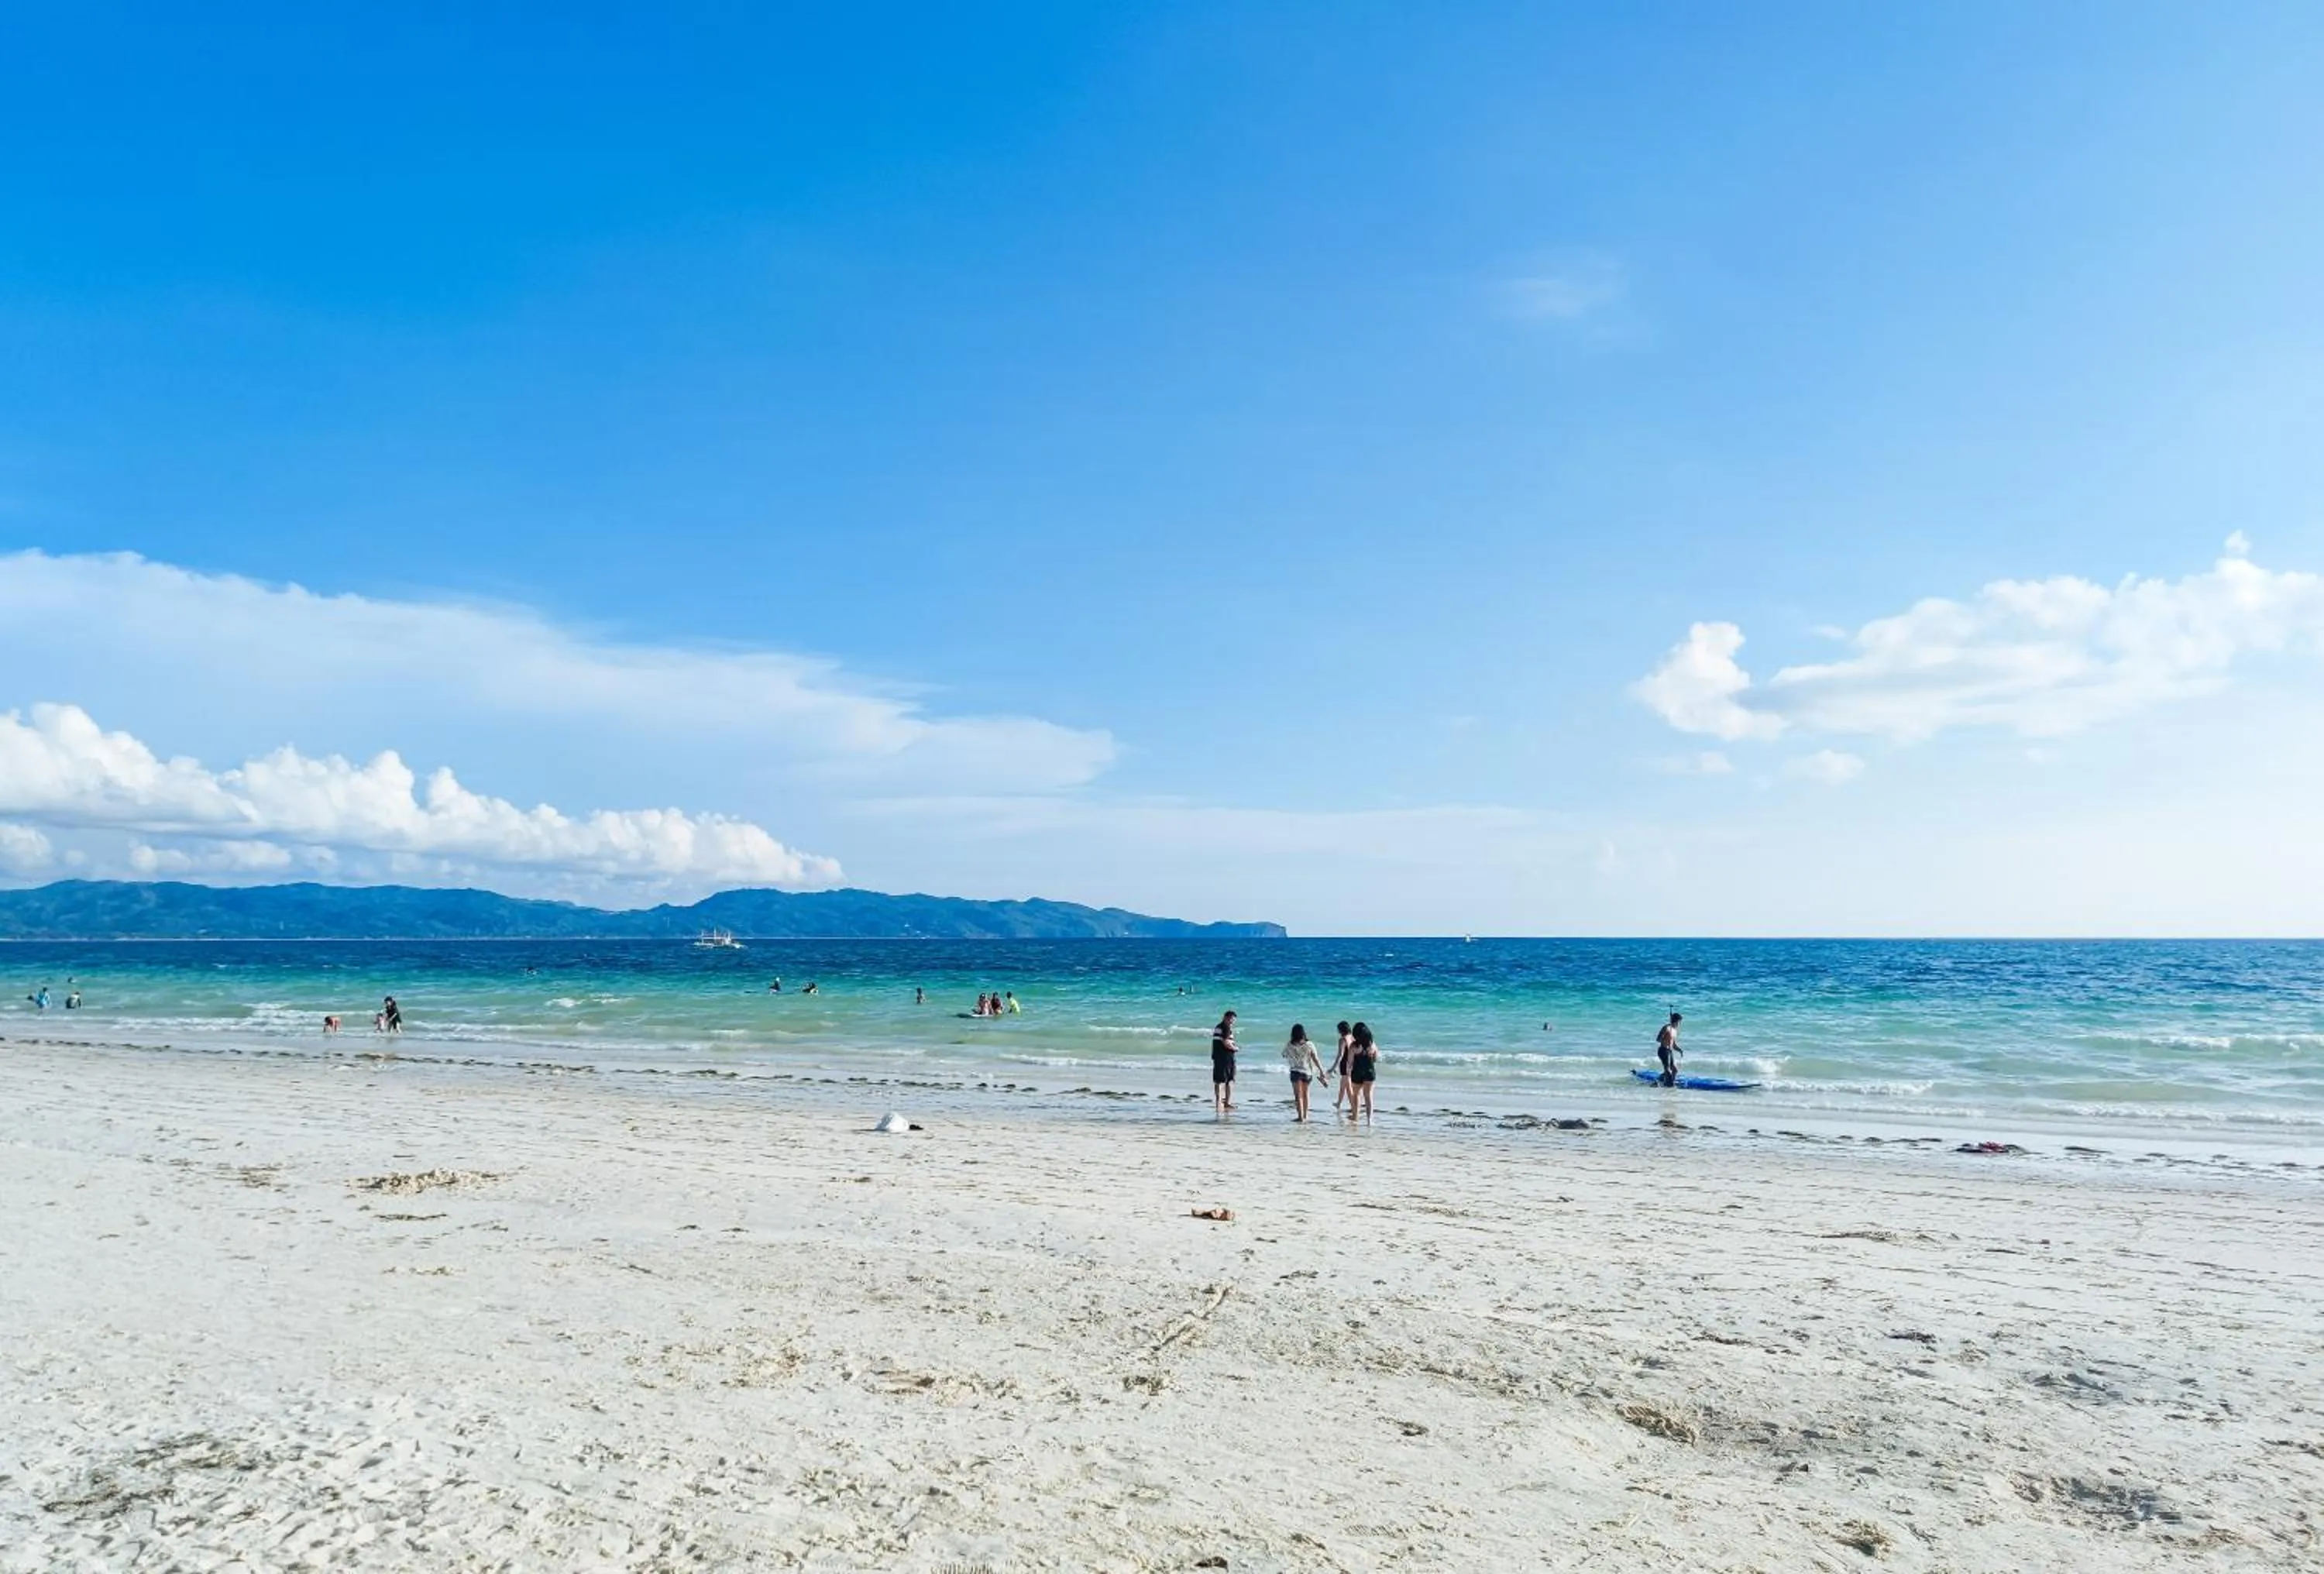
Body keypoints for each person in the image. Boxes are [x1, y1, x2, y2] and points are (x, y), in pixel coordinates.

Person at [1281, 1023, 1327, 1122]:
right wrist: (1322, 1071)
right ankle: (1306, 1116)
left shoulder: (1289, 1044)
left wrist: (1294, 1056)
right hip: (1307, 1072)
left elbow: (1284, 1055)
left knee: (1298, 1096)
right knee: (1306, 1094)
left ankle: (1300, 1117)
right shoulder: (1309, 1044)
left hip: (1295, 1071)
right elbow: (1315, 1059)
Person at [1347, 1021, 1379, 1120]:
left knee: (1356, 1095)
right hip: (1369, 1071)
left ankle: (1355, 1116)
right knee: (1368, 1096)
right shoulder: (1372, 1045)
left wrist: (1348, 1073)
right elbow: (1375, 1059)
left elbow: (1350, 1062)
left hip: (1357, 1072)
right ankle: (1369, 1120)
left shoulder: (1353, 1046)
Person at [1211, 1010, 1240, 1114]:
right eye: (1231, 1019)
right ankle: (1224, 1102)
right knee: (1226, 1080)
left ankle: (1220, 1101)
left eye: (1233, 1020)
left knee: (1222, 1079)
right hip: (1225, 1057)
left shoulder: (1219, 1027)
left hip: (1219, 1056)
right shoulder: (1225, 1027)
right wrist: (1235, 1048)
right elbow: (1226, 1042)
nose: (1232, 1022)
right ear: (1225, 1018)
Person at [1331, 1021, 1356, 1113]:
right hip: (1352, 1063)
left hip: (1345, 1065)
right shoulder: (1353, 1038)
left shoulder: (1343, 1040)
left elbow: (1340, 1055)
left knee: (1348, 1087)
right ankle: (1339, 1103)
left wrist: (1333, 1068)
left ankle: (1354, 1107)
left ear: (1341, 1030)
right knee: (1343, 1085)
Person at [1655, 1012, 1683, 1086]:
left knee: (1675, 1070)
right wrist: (1664, 1038)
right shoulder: (1667, 1028)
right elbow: (1658, 1039)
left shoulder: (1674, 1031)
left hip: (1670, 1051)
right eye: (1679, 1022)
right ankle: (1670, 1085)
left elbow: (1673, 1045)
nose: (1680, 1024)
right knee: (1668, 1070)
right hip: (1663, 1050)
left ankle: (1664, 1081)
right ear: (1676, 1021)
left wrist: (1679, 1050)